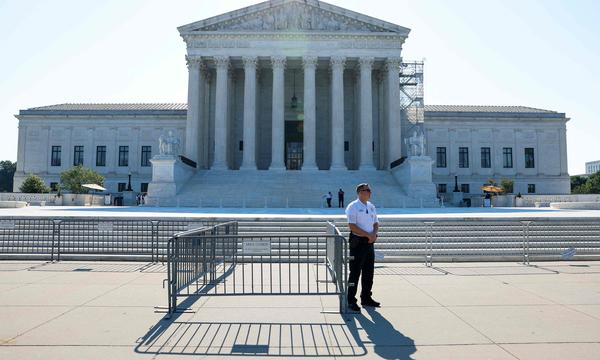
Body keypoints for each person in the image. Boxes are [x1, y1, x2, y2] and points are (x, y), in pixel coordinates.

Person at [345, 183, 380, 312]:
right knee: (354, 273)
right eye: (367, 190)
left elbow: (376, 222)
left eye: (370, 190)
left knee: (368, 272)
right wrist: (368, 235)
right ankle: (350, 300)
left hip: (370, 243)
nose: (369, 192)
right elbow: (352, 226)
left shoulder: (371, 206)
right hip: (358, 243)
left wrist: (373, 234)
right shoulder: (353, 206)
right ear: (360, 192)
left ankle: (366, 297)